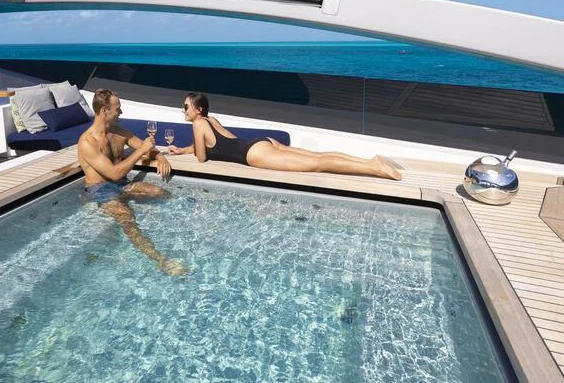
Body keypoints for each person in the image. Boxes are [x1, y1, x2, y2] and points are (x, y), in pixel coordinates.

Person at [78, 88, 189, 276]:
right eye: (117, 109)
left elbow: (146, 147)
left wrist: (159, 157)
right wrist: (141, 151)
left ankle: (191, 215)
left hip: (122, 183)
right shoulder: (87, 142)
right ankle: (162, 261)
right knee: (128, 220)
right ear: (104, 111)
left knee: (159, 192)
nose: (121, 113)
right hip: (99, 191)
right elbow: (113, 173)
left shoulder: (118, 132)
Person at [168, 92, 402, 181]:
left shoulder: (198, 124)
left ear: (198, 110)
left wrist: (190, 149)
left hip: (254, 154)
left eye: (186, 107)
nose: (183, 110)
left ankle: (375, 169)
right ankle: (370, 161)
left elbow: (202, 158)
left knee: (317, 166)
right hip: (260, 143)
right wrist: (182, 150)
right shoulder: (211, 120)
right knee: (318, 156)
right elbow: (212, 146)